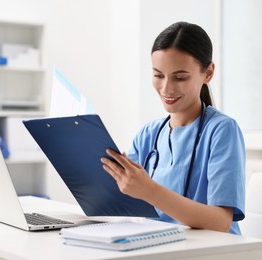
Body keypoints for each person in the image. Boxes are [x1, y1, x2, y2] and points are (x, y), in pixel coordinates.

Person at [101, 21, 245, 235]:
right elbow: (123, 201)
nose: (166, 88)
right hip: (158, 244)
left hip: (213, 250)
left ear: (208, 73)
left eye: (179, 77)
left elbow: (221, 222)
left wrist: (150, 191)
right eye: (158, 75)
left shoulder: (222, 130)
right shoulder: (148, 134)